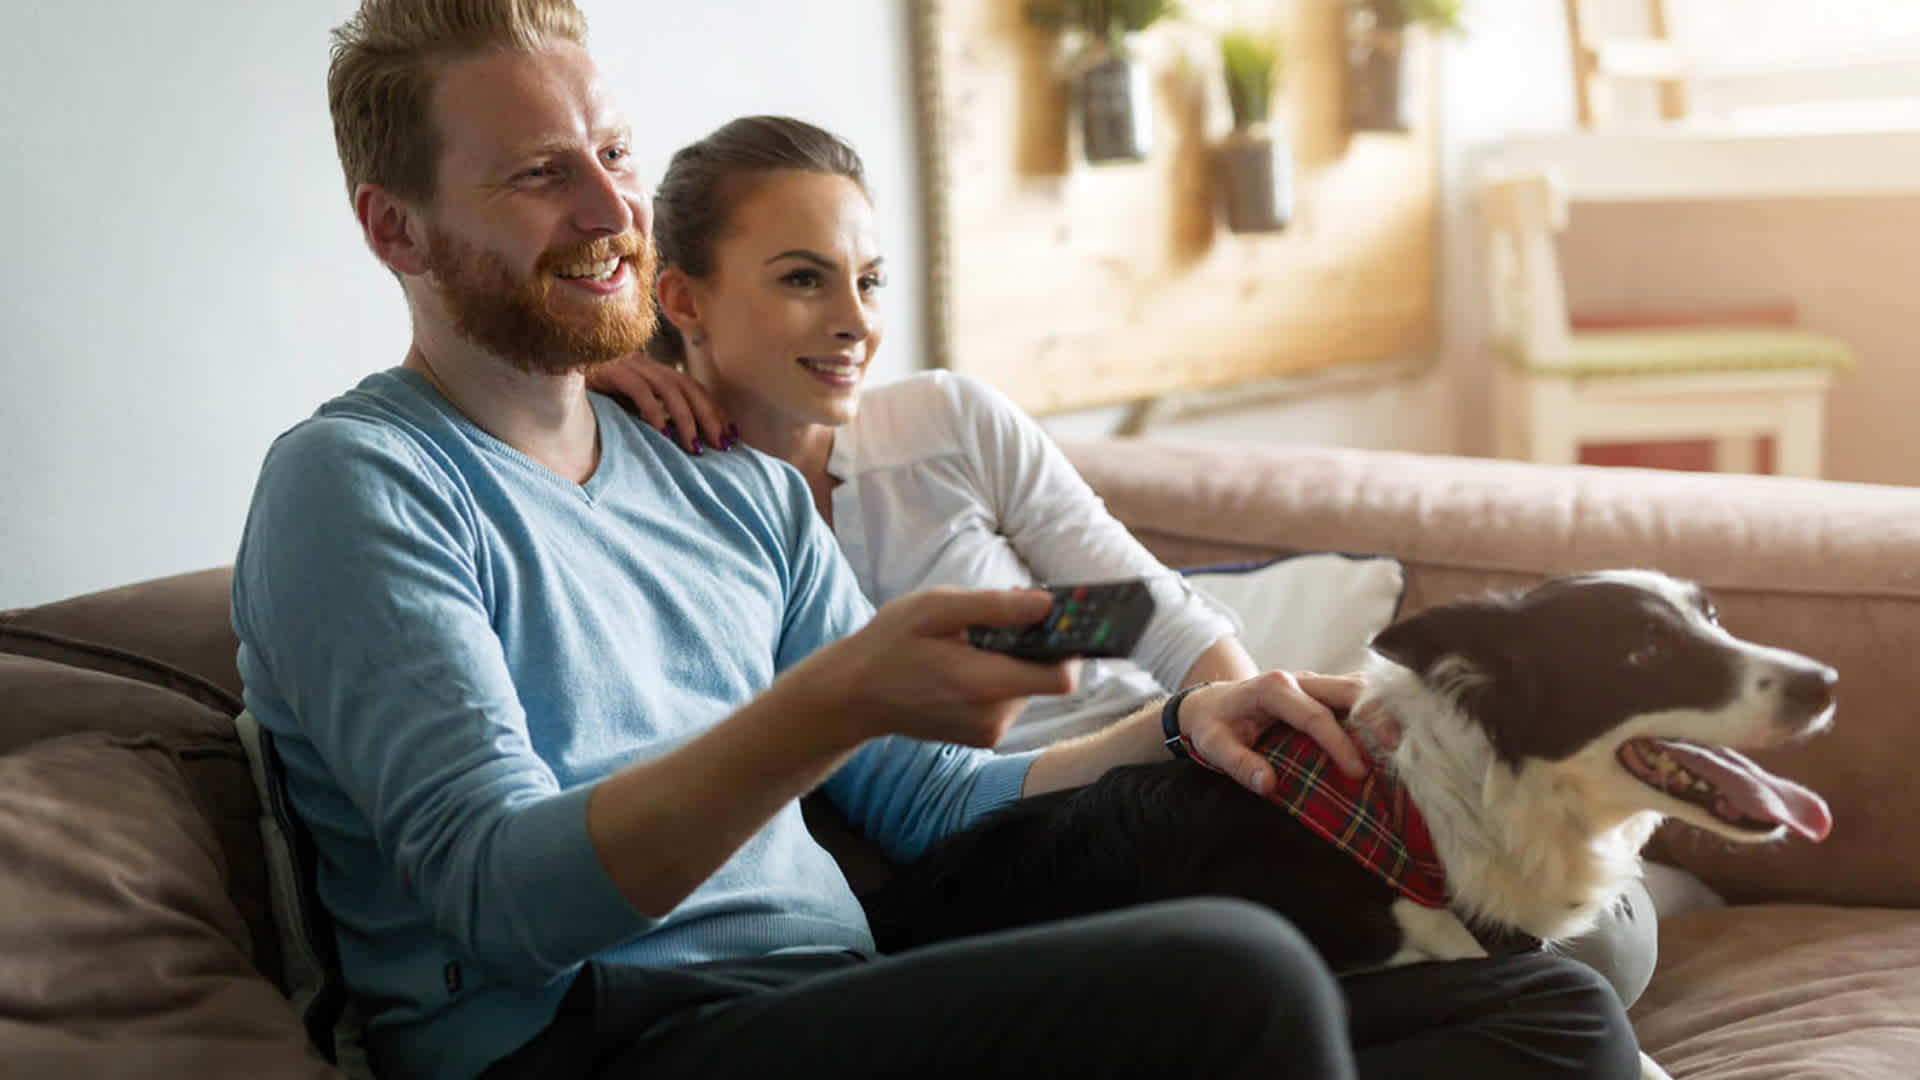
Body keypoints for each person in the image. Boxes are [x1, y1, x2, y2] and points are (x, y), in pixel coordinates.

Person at [229, 4, 1640, 1080]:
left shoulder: (803, 471)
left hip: (857, 981)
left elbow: (952, 765)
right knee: (1236, 979)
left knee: (1546, 1009)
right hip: (611, 1042)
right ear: (392, 228)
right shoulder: (360, 490)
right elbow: (497, 907)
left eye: (613, 155)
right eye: (541, 174)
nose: (605, 206)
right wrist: (836, 698)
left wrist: (1190, 714)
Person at [592, 115, 1661, 1004]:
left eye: (869, 280)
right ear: (680, 299)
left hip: (1173, 756)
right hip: (1030, 844)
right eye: (802, 281)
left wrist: (1262, 736)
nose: (856, 323)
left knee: (1593, 910)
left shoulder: (945, 427)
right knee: (1560, 940)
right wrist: (589, 378)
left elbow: (1141, 610)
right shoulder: (670, 509)